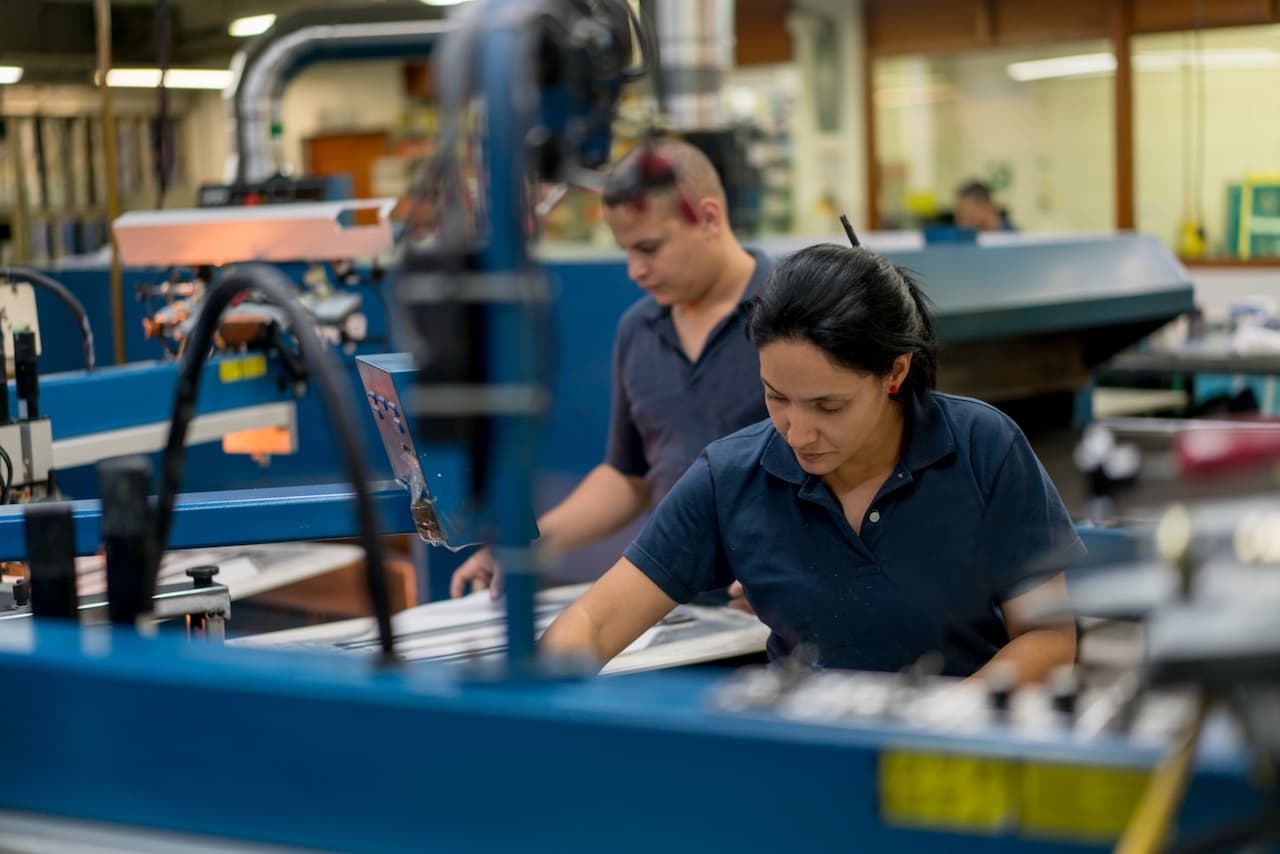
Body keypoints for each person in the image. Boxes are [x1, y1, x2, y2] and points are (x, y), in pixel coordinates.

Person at [541, 242, 1082, 681]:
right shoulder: (731, 477)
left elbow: (1049, 637)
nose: (798, 433)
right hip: (809, 757)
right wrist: (538, 702)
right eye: (775, 397)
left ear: (894, 373)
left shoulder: (982, 448)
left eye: (829, 406)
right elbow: (593, 621)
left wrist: (941, 721)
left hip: (955, 761)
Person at [450, 139, 773, 605]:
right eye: (625, 250)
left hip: (776, 623)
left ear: (708, 217)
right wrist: (530, 546)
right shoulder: (638, 330)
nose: (634, 270)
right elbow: (628, 476)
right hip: (675, 609)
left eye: (649, 247)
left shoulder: (790, 319)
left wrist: (795, 573)